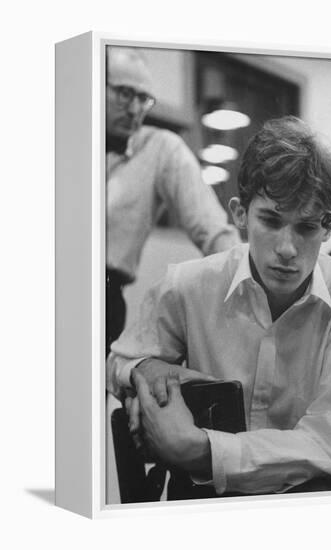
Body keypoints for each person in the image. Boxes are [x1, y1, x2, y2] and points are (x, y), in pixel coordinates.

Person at [107, 116, 331, 496]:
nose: (287, 249)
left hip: (307, 497)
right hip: (206, 497)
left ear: (328, 226)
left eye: (307, 227)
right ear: (240, 213)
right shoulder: (188, 284)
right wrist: (144, 367)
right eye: (271, 219)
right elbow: (117, 361)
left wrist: (202, 450)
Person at [105, 46, 240, 354]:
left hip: (105, 296)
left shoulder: (160, 148)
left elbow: (212, 227)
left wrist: (245, 277)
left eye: (143, 98)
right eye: (125, 93)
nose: (135, 108)